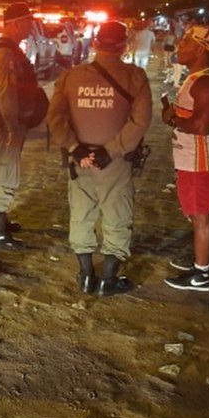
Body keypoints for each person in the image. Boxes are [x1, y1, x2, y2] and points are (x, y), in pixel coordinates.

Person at [47, 21, 152, 296]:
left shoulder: (70, 77)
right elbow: (140, 121)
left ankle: (85, 276)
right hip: (114, 162)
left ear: (94, 44)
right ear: (124, 46)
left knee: (81, 215)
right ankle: (107, 280)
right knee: (117, 216)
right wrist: (111, 150)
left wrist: (74, 147)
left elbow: (55, 118)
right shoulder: (135, 77)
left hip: (78, 161)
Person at [162, 25, 209, 293]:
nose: (180, 46)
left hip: (200, 157)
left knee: (201, 216)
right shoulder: (200, 77)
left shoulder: (205, 82)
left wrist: (172, 119)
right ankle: (200, 263)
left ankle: (201, 275)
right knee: (195, 213)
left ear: (200, 49)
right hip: (193, 156)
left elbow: (200, 125)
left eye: (186, 42)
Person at [0, 2, 39, 250]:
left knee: (3, 170)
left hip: (7, 122)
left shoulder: (10, 49)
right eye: (28, 22)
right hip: (5, 124)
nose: (31, 27)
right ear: (15, 23)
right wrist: (13, 128)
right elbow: (5, 93)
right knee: (5, 173)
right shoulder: (4, 53)